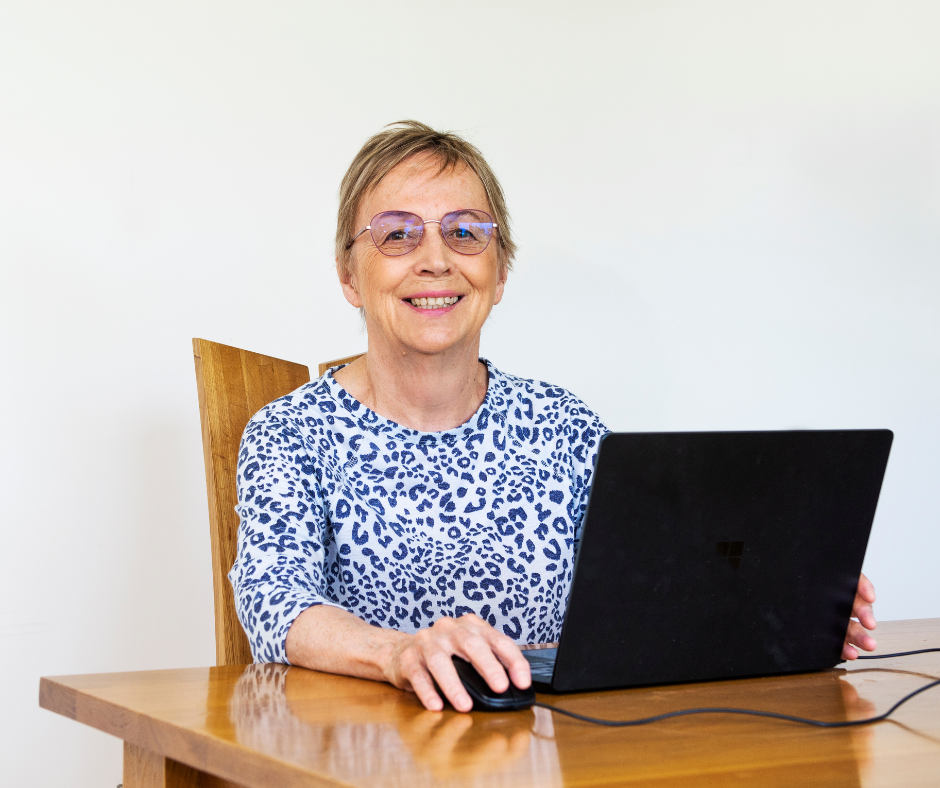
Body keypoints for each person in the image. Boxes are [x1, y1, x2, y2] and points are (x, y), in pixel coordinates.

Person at [229, 121, 878, 713]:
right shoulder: (290, 434)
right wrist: (399, 653)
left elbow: (646, 595)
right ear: (349, 274)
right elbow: (276, 606)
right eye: (397, 233)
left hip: (557, 757)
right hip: (366, 761)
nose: (436, 258)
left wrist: (780, 609)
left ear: (501, 269)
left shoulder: (566, 426)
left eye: (465, 232)